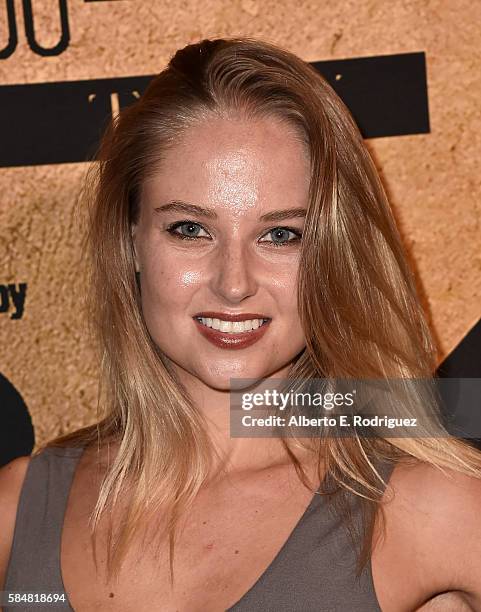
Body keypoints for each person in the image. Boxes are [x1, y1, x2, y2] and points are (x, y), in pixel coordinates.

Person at [1, 36, 480, 612]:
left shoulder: (427, 511)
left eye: (281, 235)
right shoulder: (19, 507)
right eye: (189, 229)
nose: (234, 283)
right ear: (130, 240)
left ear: (331, 252)